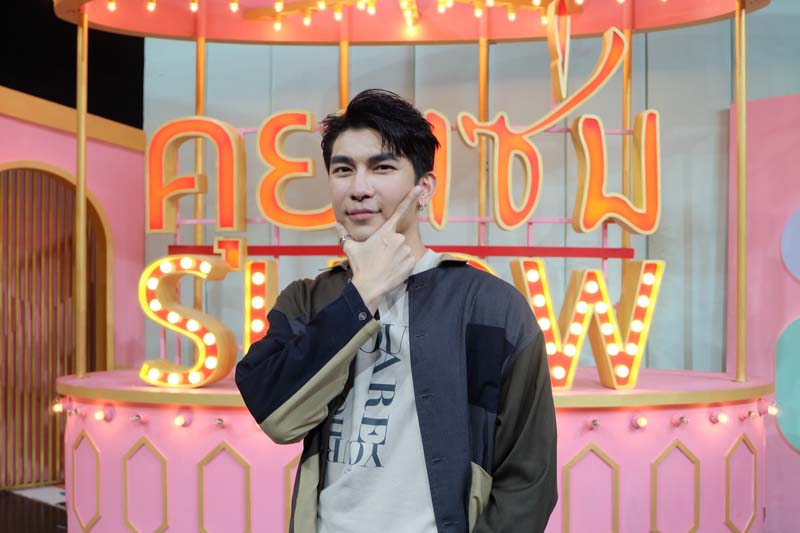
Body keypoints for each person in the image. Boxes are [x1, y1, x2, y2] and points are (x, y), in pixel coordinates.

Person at [236, 89, 557, 533]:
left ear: (424, 187)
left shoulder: (492, 308)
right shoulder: (308, 300)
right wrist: (362, 293)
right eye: (343, 170)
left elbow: (530, 477)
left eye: (382, 167)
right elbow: (278, 418)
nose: (359, 188)